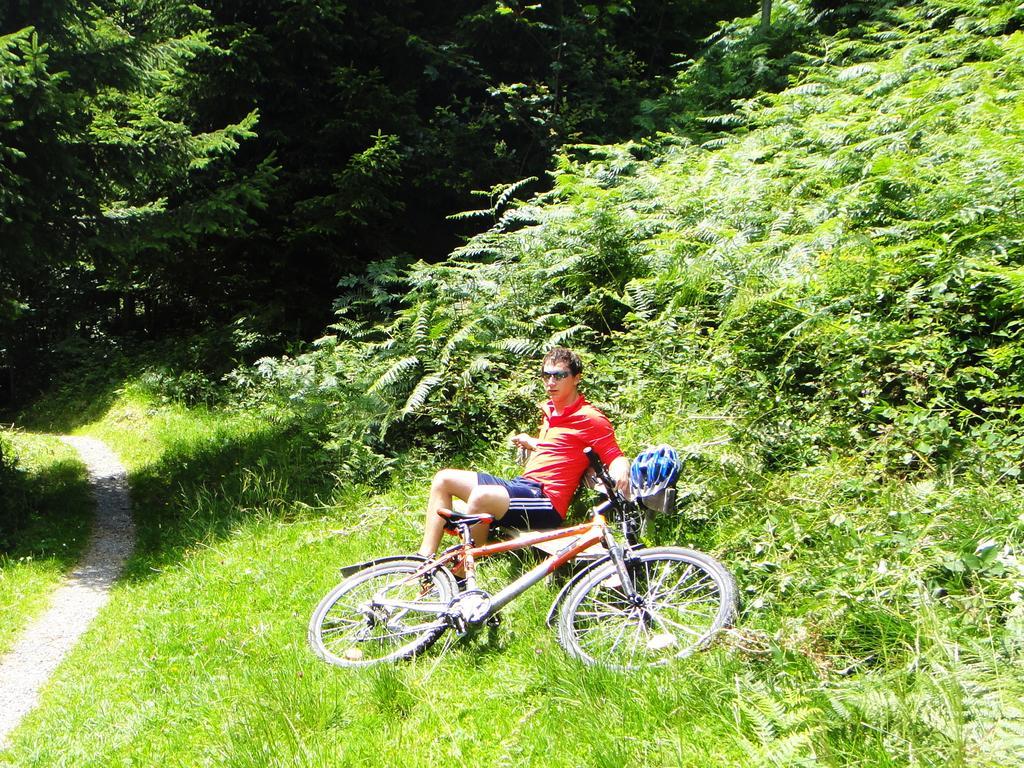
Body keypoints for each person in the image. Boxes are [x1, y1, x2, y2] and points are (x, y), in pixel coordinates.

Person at [416, 346, 630, 559]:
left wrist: (622, 470)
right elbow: (561, 449)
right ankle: (424, 561)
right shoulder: (551, 411)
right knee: (443, 479)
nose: (551, 382)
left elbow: (614, 455)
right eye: (546, 375)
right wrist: (532, 442)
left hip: (547, 501)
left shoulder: (590, 417)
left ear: (576, 378)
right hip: (524, 486)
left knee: (481, 496)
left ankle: (463, 577)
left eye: (559, 376)